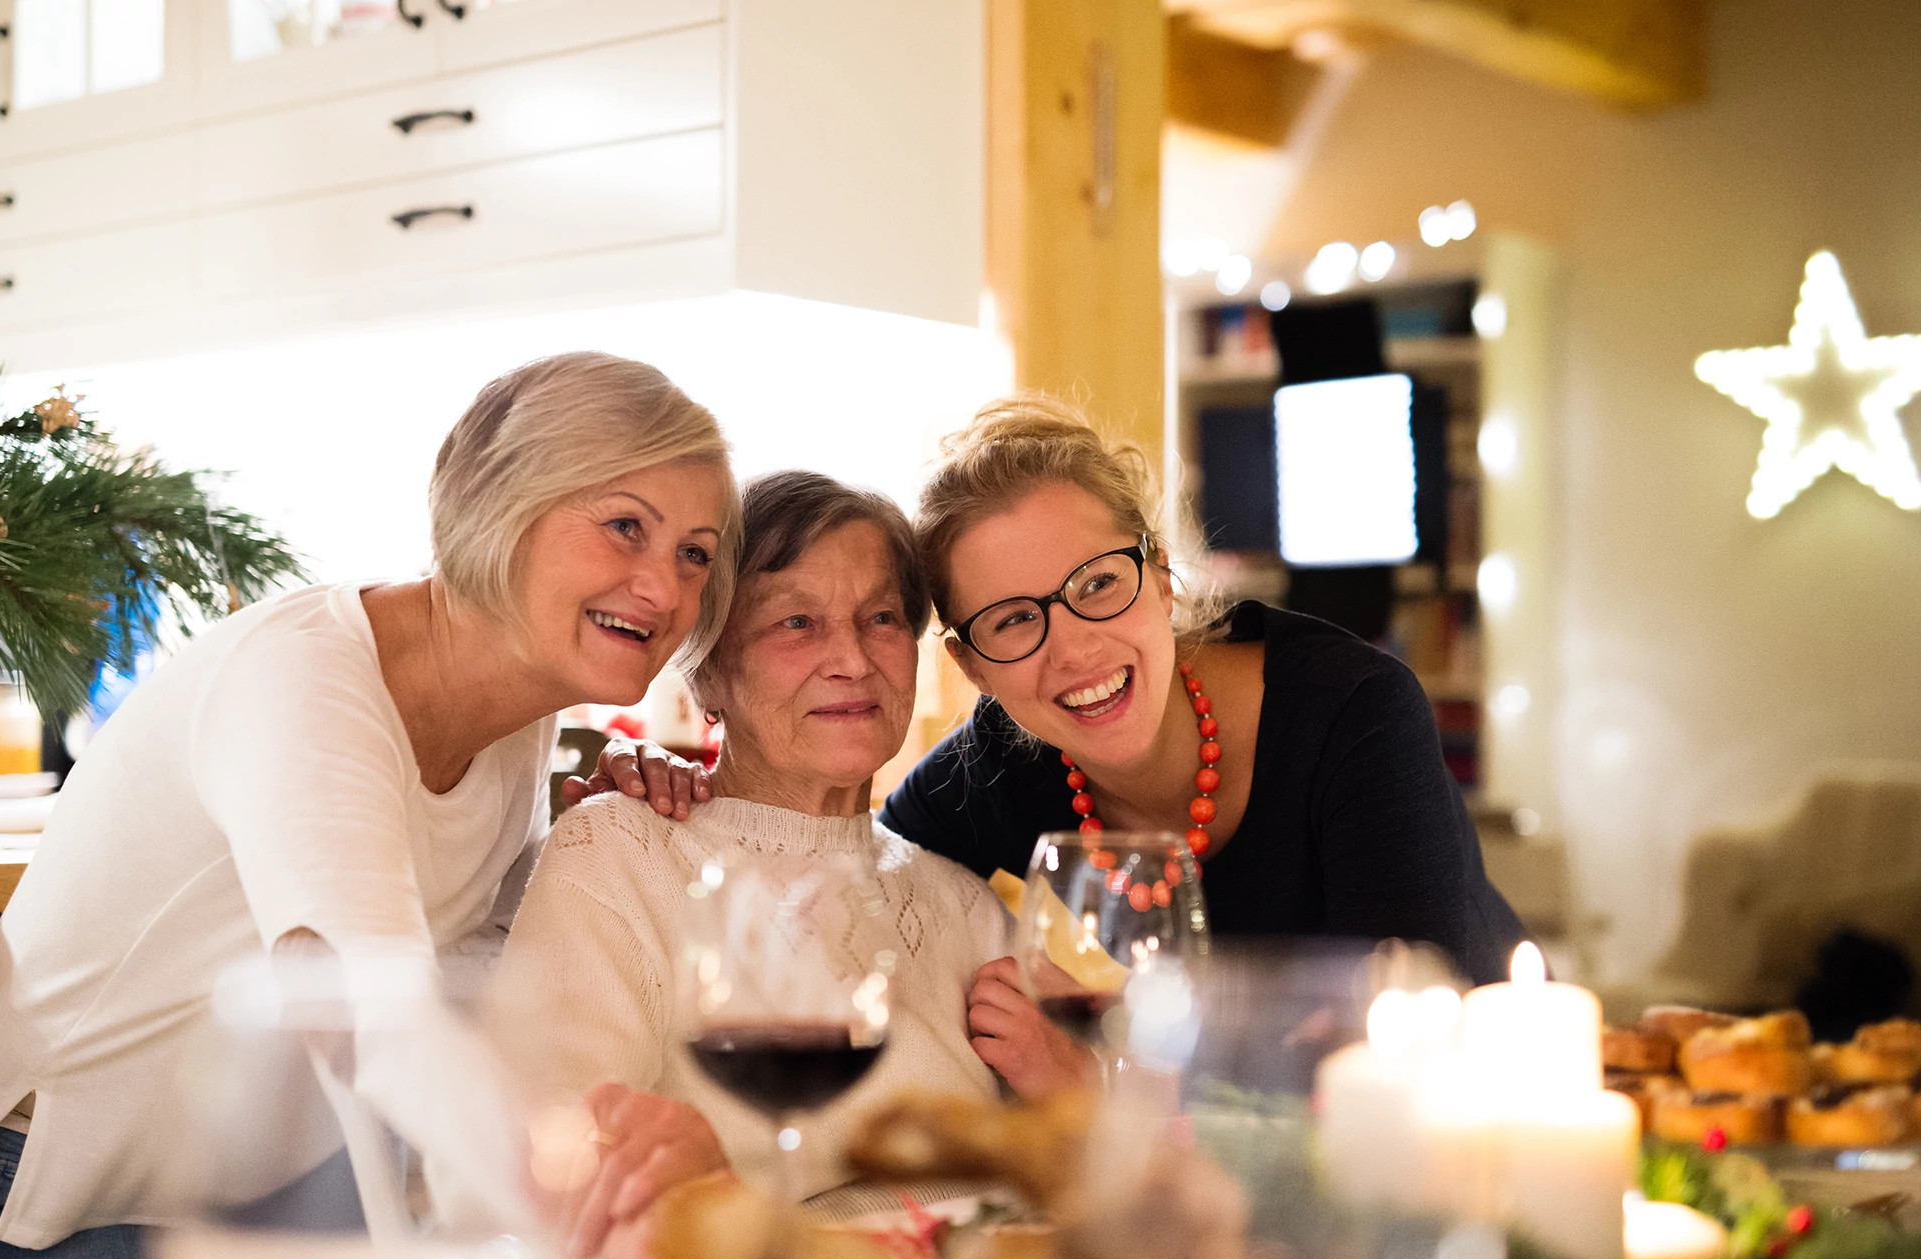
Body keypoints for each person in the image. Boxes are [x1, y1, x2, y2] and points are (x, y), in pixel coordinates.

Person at [0, 353, 740, 1259]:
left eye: (694, 551)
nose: (664, 585)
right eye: (624, 525)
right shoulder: (303, 683)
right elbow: (371, 1014)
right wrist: (568, 1214)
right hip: (63, 1199)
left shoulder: (519, 703)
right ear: (499, 502)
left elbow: (461, 941)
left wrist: (594, 820)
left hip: (274, 1190)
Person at [587, 396, 1525, 1096]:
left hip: (1469, 1120)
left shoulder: (1351, 711)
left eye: (1098, 584)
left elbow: (1416, 1063)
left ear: (1162, 577)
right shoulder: (982, 785)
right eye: (1012, 619)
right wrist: (686, 785)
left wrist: (1097, 1087)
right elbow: (831, 840)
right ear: (970, 665)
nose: (1072, 646)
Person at [493, 471, 1014, 1259]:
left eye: (880, 618)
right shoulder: (623, 851)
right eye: (796, 621)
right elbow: (546, 1163)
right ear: (706, 669)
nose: (850, 658)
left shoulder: (964, 903)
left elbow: (1058, 1168)